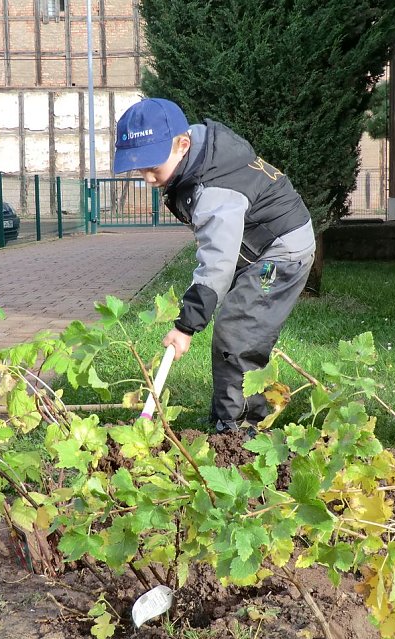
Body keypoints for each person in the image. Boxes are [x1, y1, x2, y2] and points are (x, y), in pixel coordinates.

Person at [114, 98, 316, 432]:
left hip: (279, 257)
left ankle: (236, 430)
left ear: (182, 144)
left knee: (237, 334)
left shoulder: (214, 187)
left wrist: (185, 326)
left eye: (153, 166)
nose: (148, 178)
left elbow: (217, 264)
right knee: (236, 328)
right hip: (256, 246)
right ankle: (236, 410)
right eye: (140, 168)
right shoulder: (197, 158)